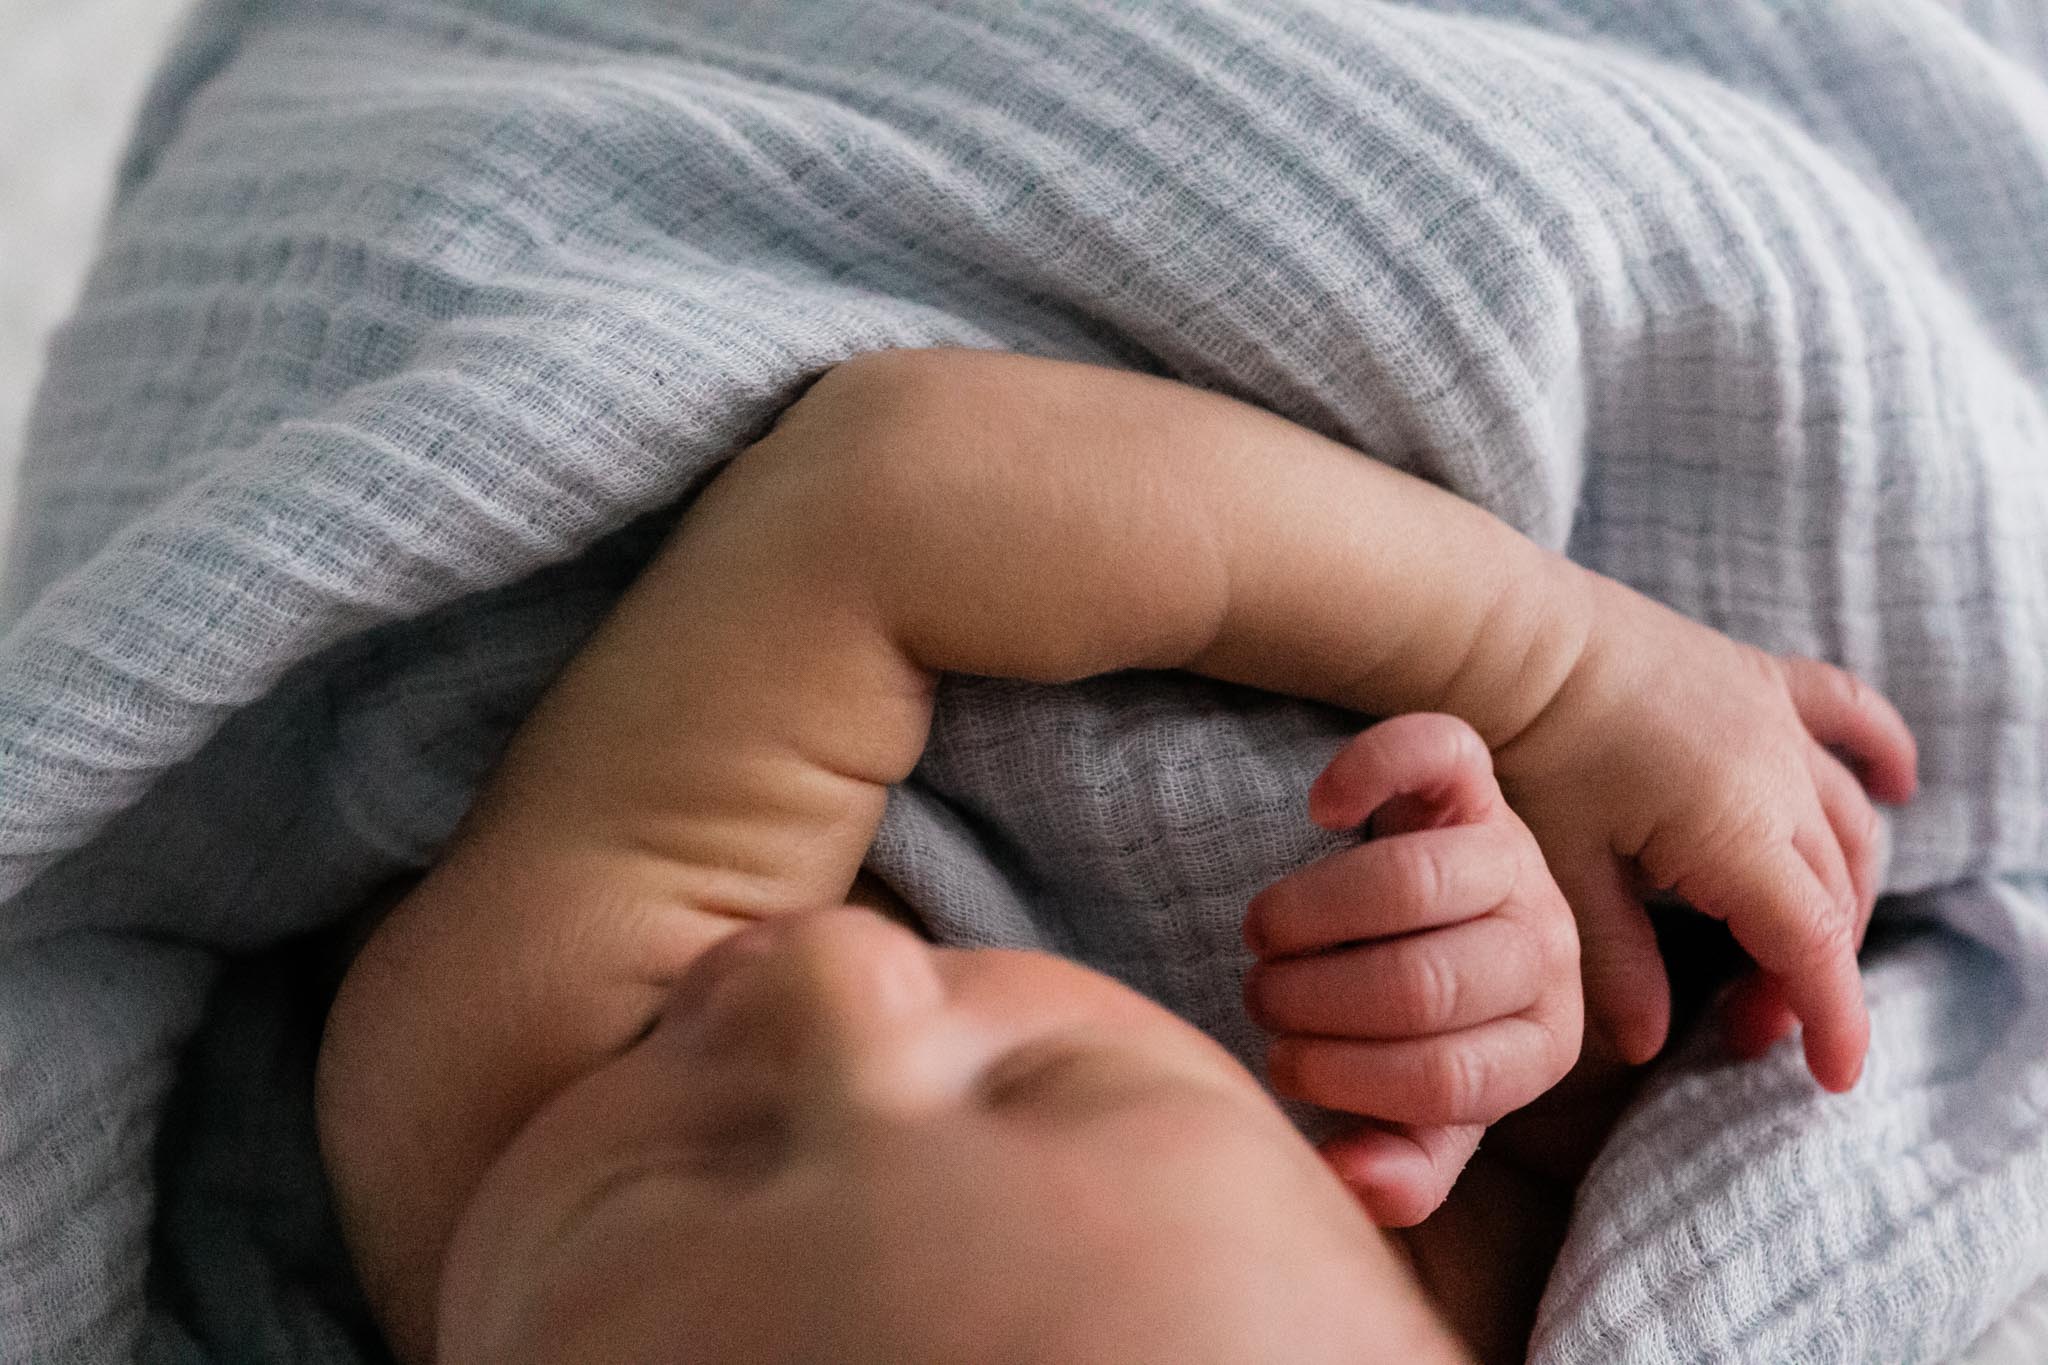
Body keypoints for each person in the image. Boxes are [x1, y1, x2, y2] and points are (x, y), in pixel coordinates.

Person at [315, 346, 1918, 1362]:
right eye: (1033, 1087)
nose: (834, 977)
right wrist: (1509, 993)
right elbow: (1582, 1140)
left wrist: (1559, 667)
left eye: (675, 1177)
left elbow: (893, 482)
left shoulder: (483, 1095)